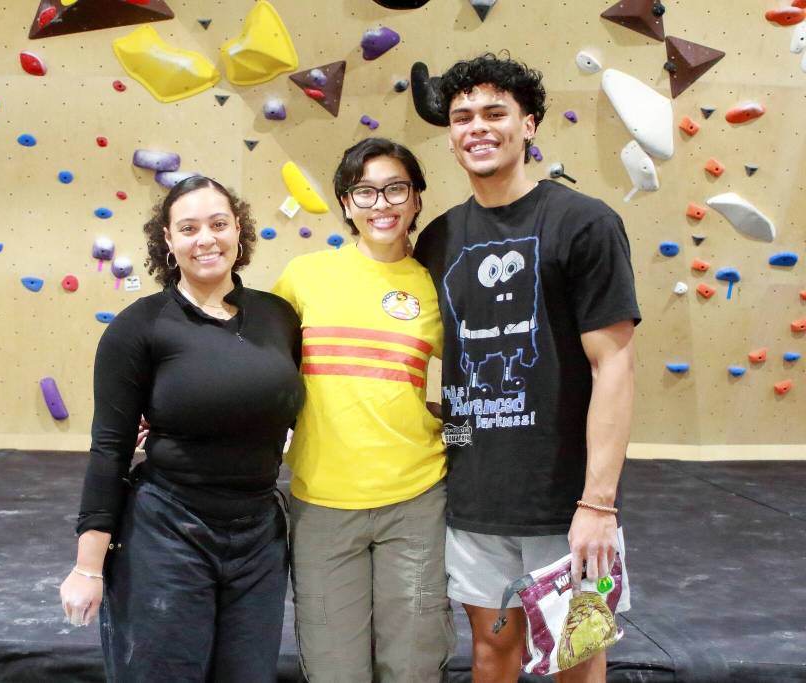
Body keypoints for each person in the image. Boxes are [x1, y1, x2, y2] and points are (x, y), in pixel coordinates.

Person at [411, 53, 641, 683]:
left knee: (578, 656)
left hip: (566, 506)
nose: (476, 127)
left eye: (494, 112)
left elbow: (614, 365)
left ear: (529, 124)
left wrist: (599, 504)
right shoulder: (437, 239)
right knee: (490, 653)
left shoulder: (584, 223)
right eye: (461, 117)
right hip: (475, 497)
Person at [59, 175, 305, 682]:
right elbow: (109, 449)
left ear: (239, 230)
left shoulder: (279, 318)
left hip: (259, 536)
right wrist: (87, 567)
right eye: (188, 228)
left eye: (218, 224)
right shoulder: (138, 328)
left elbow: (294, 407)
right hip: (167, 532)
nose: (205, 239)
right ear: (168, 241)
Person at [272, 137, 455, 682]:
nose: (383, 204)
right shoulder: (305, 278)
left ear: (417, 200)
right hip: (322, 505)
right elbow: (256, 368)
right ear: (346, 203)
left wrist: (463, 441)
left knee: (414, 666)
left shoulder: (435, 285)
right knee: (334, 670)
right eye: (366, 191)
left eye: (396, 188)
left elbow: (483, 375)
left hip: (417, 502)